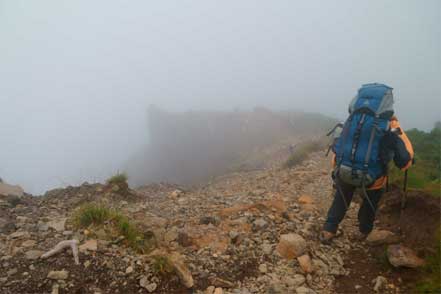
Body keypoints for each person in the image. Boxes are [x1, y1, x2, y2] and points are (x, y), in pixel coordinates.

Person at [320, 83, 414, 244]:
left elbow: (339, 143)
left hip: (344, 169)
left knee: (341, 198)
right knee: (370, 202)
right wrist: (406, 163)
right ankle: (364, 232)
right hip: (372, 176)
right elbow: (404, 158)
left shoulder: (353, 119)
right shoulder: (390, 125)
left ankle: (328, 230)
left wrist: (337, 166)